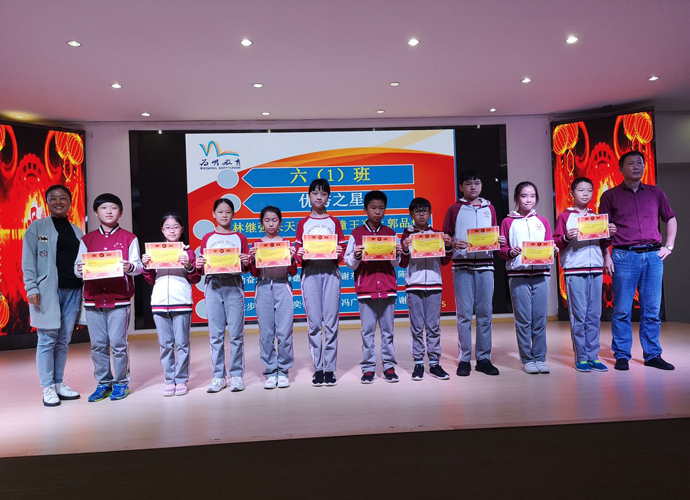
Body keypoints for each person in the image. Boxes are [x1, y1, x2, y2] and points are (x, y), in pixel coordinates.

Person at [599, 151, 677, 371]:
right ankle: (622, 355)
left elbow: (670, 217)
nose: (636, 167)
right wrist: (606, 255)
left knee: (652, 309)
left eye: (640, 163)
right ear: (620, 169)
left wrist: (669, 246)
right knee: (622, 310)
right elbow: (601, 229)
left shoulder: (655, 192)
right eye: (631, 163)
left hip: (653, 256)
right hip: (624, 255)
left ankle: (653, 355)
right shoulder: (610, 196)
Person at [75, 193, 143, 401]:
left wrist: (129, 267)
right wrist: (80, 269)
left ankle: (121, 383)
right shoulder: (87, 240)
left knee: (118, 344)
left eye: (113, 208)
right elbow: (78, 269)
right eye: (104, 208)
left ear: (120, 212)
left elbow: (138, 267)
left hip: (119, 299)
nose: (109, 212)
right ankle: (103, 382)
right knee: (98, 344)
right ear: (96, 213)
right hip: (93, 299)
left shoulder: (129, 238)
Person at [22, 184, 83, 407]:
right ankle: (47, 387)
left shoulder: (77, 231)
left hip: (73, 290)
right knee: (47, 339)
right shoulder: (37, 227)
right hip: (47, 292)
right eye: (53, 198)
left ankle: (58, 383)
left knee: (63, 340)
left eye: (63, 198)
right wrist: (32, 288)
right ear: (47, 202)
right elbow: (28, 259)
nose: (58, 202)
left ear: (70, 202)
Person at [442, 169, 503, 377]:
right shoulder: (454, 209)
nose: (473, 187)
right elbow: (445, 237)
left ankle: (484, 359)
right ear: (461, 187)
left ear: (482, 186)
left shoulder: (490, 208)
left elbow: (493, 233)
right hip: (462, 267)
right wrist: (451, 243)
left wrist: (498, 240)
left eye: (477, 183)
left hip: (486, 266)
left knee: (485, 314)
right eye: (468, 183)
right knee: (464, 315)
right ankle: (465, 359)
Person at [554, 178, 616, 372]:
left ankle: (593, 356)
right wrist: (566, 237)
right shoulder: (565, 216)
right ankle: (581, 357)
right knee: (579, 315)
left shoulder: (596, 217)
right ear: (572, 193)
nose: (585, 194)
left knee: (594, 315)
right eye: (581, 190)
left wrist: (610, 233)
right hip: (575, 269)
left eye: (589, 190)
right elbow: (556, 242)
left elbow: (603, 242)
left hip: (595, 269)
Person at [344, 190, 403, 384]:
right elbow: (349, 263)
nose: (378, 212)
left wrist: (397, 253)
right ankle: (368, 368)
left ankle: (389, 366)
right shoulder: (356, 234)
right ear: (365, 209)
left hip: (388, 288)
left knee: (388, 332)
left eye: (381, 208)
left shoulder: (391, 234)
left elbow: (396, 264)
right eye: (373, 208)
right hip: (366, 290)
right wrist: (356, 256)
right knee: (367, 332)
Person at [141, 213, 200, 396]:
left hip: (181, 302)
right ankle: (169, 379)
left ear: (182, 230)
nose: (172, 230)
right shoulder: (155, 251)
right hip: (159, 302)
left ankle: (181, 380)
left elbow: (195, 278)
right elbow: (150, 279)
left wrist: (189, 265)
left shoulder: (188, 252)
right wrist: (146, 266)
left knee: (182, 344)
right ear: (162, 230)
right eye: (168, 227)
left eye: (175, 227)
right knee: (165, 345)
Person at [499, 182, 555, 374]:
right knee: (523, 320)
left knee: (539, 319)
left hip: (542, 275)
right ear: (516, 198)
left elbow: (549, 245)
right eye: (524, 196)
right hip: (518, 275)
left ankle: (540, 358)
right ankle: (528, 359)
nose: (528, 200)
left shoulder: (543, 221)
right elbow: (502, 249)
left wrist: (553, 250)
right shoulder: (508, 222)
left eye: (532, 196)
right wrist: (510, 252)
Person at [295, 179, 346, 387]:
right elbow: (298, 254)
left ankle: (330, 368)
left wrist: (339, 252)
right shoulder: (303, 223)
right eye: (315, 193)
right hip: (310, 273)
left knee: (331, 322)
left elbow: (342, 252)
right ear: (308, 196)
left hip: (331, 272)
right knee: (314, 323)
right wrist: (299, 254)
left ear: (328, 197)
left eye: (323, 194)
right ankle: (318, 368)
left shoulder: (334, 222)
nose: (319, 197)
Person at [196, 198, 250, 393]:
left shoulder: (240, 238)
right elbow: (202, 267)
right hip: (213, 286)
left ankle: (236, 375)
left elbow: (246, 267)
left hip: (234, 285)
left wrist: (246, 261)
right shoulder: (208, 238)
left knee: (236, 334)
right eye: (220, 212)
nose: (224, 215)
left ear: (233, 214)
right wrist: (200, 264)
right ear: (213, 214)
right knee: (216, 335)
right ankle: (218, 376)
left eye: (228, 212)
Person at [400, 197, 453, 381]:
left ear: (430, 214)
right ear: (411, 215)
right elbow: (402, 263)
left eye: (425, 211)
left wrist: (448, 246)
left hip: (434, 285)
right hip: (413, 285)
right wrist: (404, 249)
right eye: (417, 211)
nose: (421, 215)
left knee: (433, 326)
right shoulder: (406, 236)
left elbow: (445, 261)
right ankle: (418, 364)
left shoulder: (438, 234)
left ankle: (434, 363)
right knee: (416, 327)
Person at [249, 206, 297, 389]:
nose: (271, 224)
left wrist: (292, 258)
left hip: (282, 286)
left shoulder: (285, 244)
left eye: (274, 220)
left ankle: (283, 370)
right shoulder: (257, 244)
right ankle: (270, 371)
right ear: (262, 222)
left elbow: (293, 272)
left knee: (284, 332)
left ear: (280, 222)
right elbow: (254, 273)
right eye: (267, 220)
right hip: (263, 287)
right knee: (267, 333)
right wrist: (253, 260)